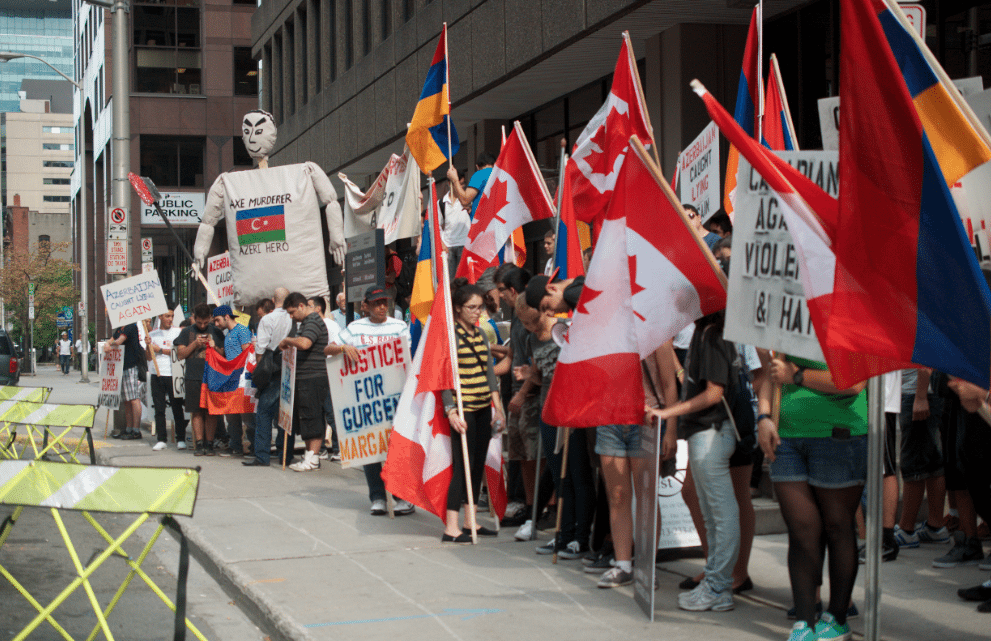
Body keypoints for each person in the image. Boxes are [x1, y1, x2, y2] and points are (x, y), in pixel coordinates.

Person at [758, 354, 868, 641]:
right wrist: (763, 416)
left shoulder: (846, 313)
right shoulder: (785, 311)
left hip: (838, 434)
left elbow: (855, 381)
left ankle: (838, 618)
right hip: (786, 436)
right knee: (801, 530)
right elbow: (771, 371)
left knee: (838, 526)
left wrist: (797, 375)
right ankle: (804, 622)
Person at [650, 311, 740, 612]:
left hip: (712, 433)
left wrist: (670, 413)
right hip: (704, 433)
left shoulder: (713, 335)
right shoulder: (707, 333)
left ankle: (718, 586)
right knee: (713, 514)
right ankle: (715, 582)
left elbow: (715, 393)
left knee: (720, 514)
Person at [596, 341, 679, 588]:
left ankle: (646, 566)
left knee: (646, 496)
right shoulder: (604, 331)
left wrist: (671, 430)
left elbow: (669, 384)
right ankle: (623, 564)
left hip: (647, 420)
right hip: (610, 418)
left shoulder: (657, 334)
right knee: (618, 495)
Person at [329, 286, 415, 515]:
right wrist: (343, 348)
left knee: (397, 447)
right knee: (371, 448)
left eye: (384, 302)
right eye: (376, 303)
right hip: (366, 399)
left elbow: (407, 356)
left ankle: (402, 497)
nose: (381, 307)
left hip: (395, 398)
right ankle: (377, 497)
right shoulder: (355, 329)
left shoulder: (399, 326)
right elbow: (328, 350)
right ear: (365, 306)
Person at [439, 284, 506, 542]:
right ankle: (451, 526)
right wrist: (451, 410)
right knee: (461, 466)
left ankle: (471, 521)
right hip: (463, 408)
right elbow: (444, 375)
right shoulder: (450, 336)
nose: (477, 312)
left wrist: (497, 408)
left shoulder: (480, 334)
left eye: (480, 307)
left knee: (476, 465)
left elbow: (489, 373)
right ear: (458, 308)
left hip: (482, 407)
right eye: (471, 307)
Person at [277, 293, 330, 472]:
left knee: (313, 417)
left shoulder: (313, 321)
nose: (291, 317)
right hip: (304, 377)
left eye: (292, 312)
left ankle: (313, 457)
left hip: (313, 377)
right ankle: (309, 455)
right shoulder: (306, 323)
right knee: (306, 418)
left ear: (301, 306)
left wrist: (287, 341)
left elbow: (305, 343)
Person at [244, 288, 293, 466]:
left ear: (273, 300)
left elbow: (260, 349)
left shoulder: (267, 319)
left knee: (264, 412)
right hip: (290, 365)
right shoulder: (293, 318)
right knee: (285, 412)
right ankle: (285, 455)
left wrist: (261, 371)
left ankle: (262, 455)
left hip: (272, 367)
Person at [174, 304, 226, 456]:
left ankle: (209, 443)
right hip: (193, 376)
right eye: (199, 322)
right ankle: (199, 443)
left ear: (210, 318)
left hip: (213, 377)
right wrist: (195, 344)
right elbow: (180, 354)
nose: (203, 326)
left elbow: (223, 354)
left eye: (205, 322)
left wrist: (214, 347)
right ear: (194, 318)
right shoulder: (186, 332)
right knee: (196, 411)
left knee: (211, 412)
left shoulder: (216, 331)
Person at [213, 305, 255, 457]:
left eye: (217, 320)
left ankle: (254, 447)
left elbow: (248, 352)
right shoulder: (229, 333)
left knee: (246, 414)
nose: (216, 324)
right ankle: (235, 445)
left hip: (242, 379)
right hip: (231, 379)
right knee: (231, 413)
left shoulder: (242, 330)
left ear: (226, 316)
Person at [147, 309, 188, 451]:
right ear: (160, 316)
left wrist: (159, 350)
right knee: (159, 408)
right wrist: (148, 346)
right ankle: (161, 439)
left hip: (173, 374)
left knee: (177, 407)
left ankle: (181, 438)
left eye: (172, 316)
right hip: (156, 373)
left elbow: (179, 353)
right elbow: (147, 356)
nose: (170, 319)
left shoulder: (178, 332)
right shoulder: (151, 335)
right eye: (167, 316)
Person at [104, 322, 144, 440]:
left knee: (133, 398)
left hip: (131, 366)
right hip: (121, 367)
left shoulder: (130, 326)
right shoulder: (119, 329)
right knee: (126, 400)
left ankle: (136, 430)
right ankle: (128, 428)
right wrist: (107, 343)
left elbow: (118, 341)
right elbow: (112, 339)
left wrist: (109, 344)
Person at [446, 152, 496, 220]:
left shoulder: (480, 174)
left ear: (477, 166)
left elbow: (465, 200)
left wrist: (455, 180)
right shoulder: (503, 175)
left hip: (482, 225)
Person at [441, 173, 471, 279]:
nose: (461, 186)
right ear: (450, 183)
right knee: (450, 281)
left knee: (464, 279)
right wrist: (442, 243)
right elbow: (436, 225)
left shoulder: (467, 200)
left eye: (463, 183)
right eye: (458, 182)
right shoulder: (441, 203)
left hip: (464, 244)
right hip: (448, 246)